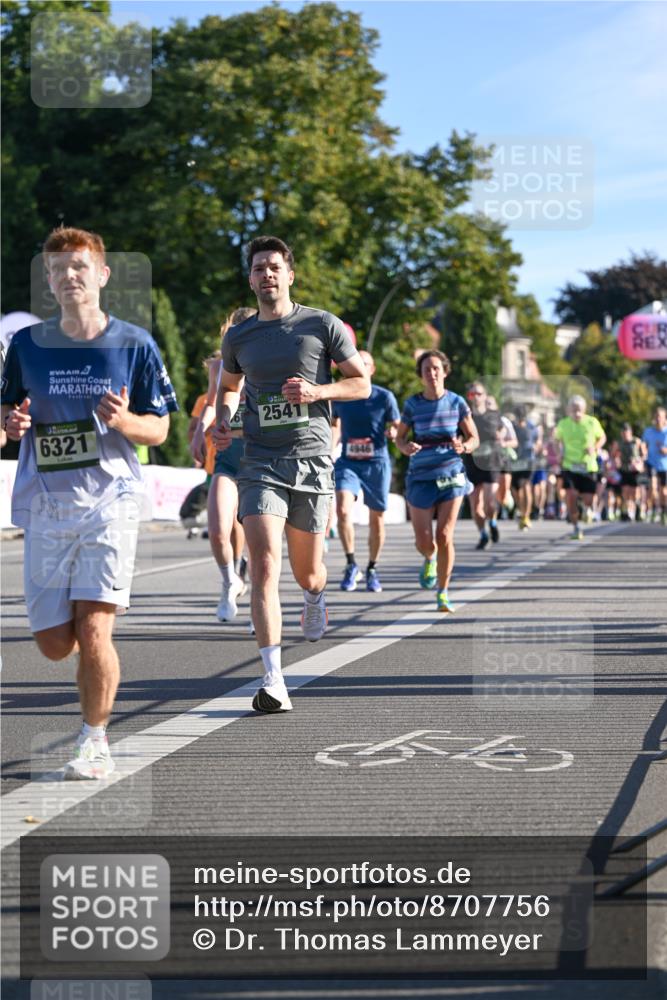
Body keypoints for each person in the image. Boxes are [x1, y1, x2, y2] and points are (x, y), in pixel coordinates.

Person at [0, 226, 177, 778]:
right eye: (58, 270)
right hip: (48, 505)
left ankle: (94, 740)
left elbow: (160, 428)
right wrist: (10, 426)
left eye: (79, 266)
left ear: (101, 274)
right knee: (56, 644)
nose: (69, 276)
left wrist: (123, 421)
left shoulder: (134, 343)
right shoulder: (26, 346)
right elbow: (5, 417)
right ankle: (79, 648)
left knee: (96, 627)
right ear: (49, 281)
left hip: (110, 502)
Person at [213, 236, 370, 713]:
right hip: (259, 460)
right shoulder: (238, 337)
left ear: (290, 275)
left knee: (309, 572)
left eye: (274, 267)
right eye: (259, 268)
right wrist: (223, 419)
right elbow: (229, 387)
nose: (267, 274)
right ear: (250, 279)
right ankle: (273, 679)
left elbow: (361, 384)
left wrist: (317, 391)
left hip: (311, 460)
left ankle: (315, 596)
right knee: (263, 564)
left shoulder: (321, 324)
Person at [395, 351, 478, 612]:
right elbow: (399, 438)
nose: (432, 373)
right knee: (424, 541)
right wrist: (405, 447)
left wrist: (464, 446)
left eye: (436, 368)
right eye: (426, 369)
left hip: (451, 474)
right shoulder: (413, 404)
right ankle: (429, 558)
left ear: (445, 371)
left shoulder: (457, 402)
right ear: (421, 375)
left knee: (444, 535)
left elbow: (474, 438)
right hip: (420, 476)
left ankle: (443, 592)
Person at [190, 307, 257, 621]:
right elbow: (211, 402)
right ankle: (230, 580)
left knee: (258, 539)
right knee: (217, 529)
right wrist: (199, 433)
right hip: (227, 457)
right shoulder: (219, 366)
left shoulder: (268, 361)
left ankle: (260, 604)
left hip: (259, 457)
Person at [331, 349, 400, 593]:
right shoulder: (340, 395)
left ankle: (372, 567)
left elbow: (397, 425)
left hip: (376, 462)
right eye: (356, 362)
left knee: (376, 518)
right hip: (348, 461)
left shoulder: (384, 397)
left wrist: (394, 432)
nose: (359, 366)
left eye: (364, 363)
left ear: (372, 369)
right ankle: (351, 564)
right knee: (342, 509)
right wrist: (329, 449)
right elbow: (335, 425)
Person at [554, 395, 606, 540]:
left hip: (588, 466)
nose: (576, 413)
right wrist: (558, 453)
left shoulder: (592, 422)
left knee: (588, 499)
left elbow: (602, 437)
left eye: (579, 410)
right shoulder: (563, 424)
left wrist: (595, 447)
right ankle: (576, 527)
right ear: (569, 410)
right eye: (574, 409)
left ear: (584, 409)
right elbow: (556, 440)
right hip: (569, 465)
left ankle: (585, 508)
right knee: (570, 495)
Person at [463, 382, 503, 549]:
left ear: (485, 396)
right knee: (475, 506)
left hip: (491, 463)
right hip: (472, 464)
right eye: (472, 394)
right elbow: (458, 437)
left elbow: (502, 430)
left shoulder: (494, 415)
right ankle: (483, 534)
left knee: (490, 503)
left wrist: (500, 437)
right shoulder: (465, 417)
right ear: (469, 397)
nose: (476, 397)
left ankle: (492, 522)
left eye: (479, 394)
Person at [511, 405, 542, 530]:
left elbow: (538, 441)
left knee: (526, 485)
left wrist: (536, 447)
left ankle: (526, 516)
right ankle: (521, 509)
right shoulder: (512, 427)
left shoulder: (532, 427)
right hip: (515, 461)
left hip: (529, 460)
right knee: (515, 489)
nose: (520, 418)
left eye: (522, 416)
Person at [611, 423, 645, 521]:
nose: (625, 434)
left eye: (627, 432)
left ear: (630, 432)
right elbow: (613, 455)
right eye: (623, 432)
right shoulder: (619, 443)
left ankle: (637, 509)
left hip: (635, 470)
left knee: (635, 492)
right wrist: (616, 460)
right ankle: (626, 512)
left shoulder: (637, 441)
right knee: (625, 491)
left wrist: (638, 461)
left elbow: (644, 454)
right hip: (624, 469)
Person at [642, 407, 667, 525]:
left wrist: (665, 450)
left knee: (664, 492)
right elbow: (643, 444)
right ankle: (652, 510)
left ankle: (663, 511)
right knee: (652, 487)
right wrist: (643, 451)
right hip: (651, 463)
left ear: (664, 418)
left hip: (664, 465)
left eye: (660, 416)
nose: (658, 419)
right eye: (656, 416)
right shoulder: (648, 431)